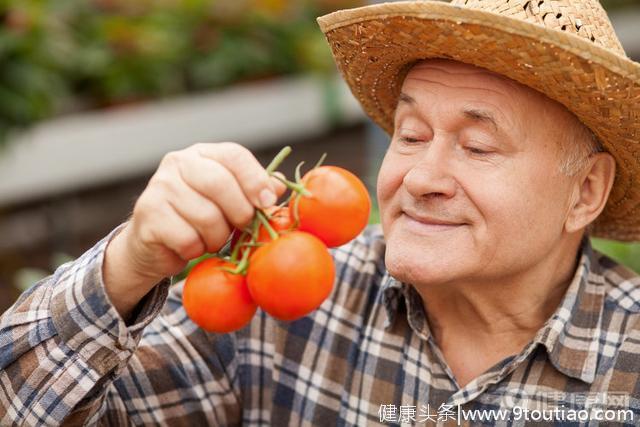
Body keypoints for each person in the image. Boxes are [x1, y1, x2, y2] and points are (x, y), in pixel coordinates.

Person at [2, 0, 640, 425]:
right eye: (411, 135)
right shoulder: (286, 306)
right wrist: (127, 268)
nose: (418, 177)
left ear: (584, 191)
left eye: (477, 146)